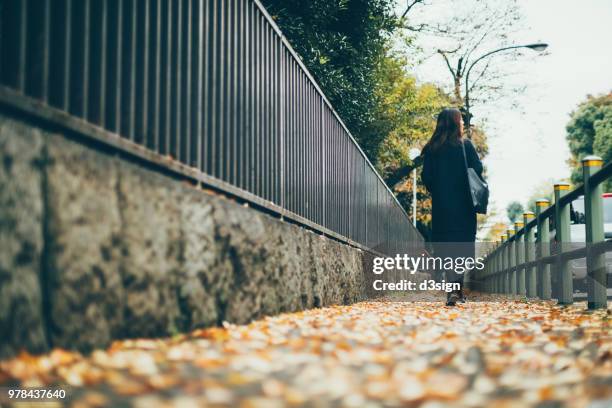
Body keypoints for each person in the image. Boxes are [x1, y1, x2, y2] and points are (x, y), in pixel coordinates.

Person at [421, 108, 483, 306]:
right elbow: (478, 171)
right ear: (457, 124)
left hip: (442, 208)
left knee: (447, 249)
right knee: (462, 249)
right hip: (464, 208)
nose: (463, 125)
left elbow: (427, 178)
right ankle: (457, 290)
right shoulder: (466, 146)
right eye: (462, 122)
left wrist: (440, 189)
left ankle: (453, 291)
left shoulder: (432, 148)